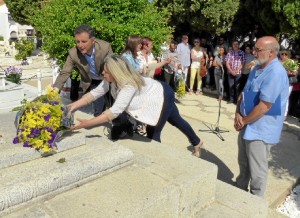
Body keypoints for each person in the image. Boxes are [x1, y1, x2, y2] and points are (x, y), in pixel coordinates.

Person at [68, 55, 204, 157]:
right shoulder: (109, 80)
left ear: (115, 72)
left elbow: (113, 112)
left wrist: (87, 124)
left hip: (161, 95)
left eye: (106, 72)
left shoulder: (128, 85)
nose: (103, 74)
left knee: (153, 133)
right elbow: (93, 94)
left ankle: (156, 164)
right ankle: (197, 142)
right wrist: (71, 106)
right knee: (176, 120)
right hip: (156, 92)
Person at [234, 36, 289, 197]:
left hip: (261, 129)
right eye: (255, 48)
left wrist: (243, 120)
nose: (254, 51)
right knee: (244, 162)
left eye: (258, 49)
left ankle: (255, 200)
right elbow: (243, 94)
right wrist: (237, 113)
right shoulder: (257, 68)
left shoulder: (276, 73)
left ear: (271, 52)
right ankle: (239, 189)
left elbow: (265, 106)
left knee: (257, 169)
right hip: (246, 124)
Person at [53, 24, 113, 117]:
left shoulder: (105, 47)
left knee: (115, 108)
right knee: (98, 111)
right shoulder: (73, 53)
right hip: (93, 82)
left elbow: (113, 67)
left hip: (108, 79)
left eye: (84, 41)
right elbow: (65, 72)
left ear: (93, 41)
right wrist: (54, 91)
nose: (80, 45)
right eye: (78, 42)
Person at [279, 49, 299, 120]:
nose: (284, 56)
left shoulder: (291, 62)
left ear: (288, 55)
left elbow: (295, 72)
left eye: (285, 54)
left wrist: (288, 72)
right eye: (282, 54)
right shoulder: (279, 62)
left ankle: (284, 114)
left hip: (288, 83)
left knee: (285, 97)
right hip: (279, 83)